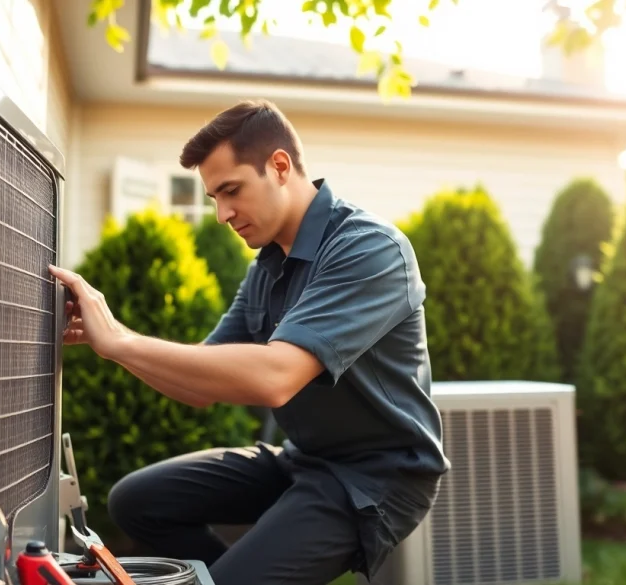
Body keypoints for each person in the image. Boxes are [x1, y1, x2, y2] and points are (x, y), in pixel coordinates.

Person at [48, 99, 449, 585]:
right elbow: (200, 383)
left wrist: (120, 341)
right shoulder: (267, 269)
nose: (221, 214)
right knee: (136, 502)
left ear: (279, 166)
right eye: (214, 196)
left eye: (230, 190)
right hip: (303, 458)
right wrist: (107, 340)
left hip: (375, 478)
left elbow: (276, 377)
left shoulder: (369, 248)